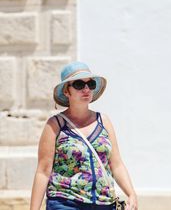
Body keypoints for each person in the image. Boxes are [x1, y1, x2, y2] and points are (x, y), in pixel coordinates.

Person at [30, 61, 138, 210]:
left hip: (104, 204)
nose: (86, 89)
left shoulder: (104, 121)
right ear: (67, 91)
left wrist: (131, 193)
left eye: (90, 84)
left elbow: (116, 163)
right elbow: (43, 171)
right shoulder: (55, 125)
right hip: (66, 202)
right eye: (79, 84)